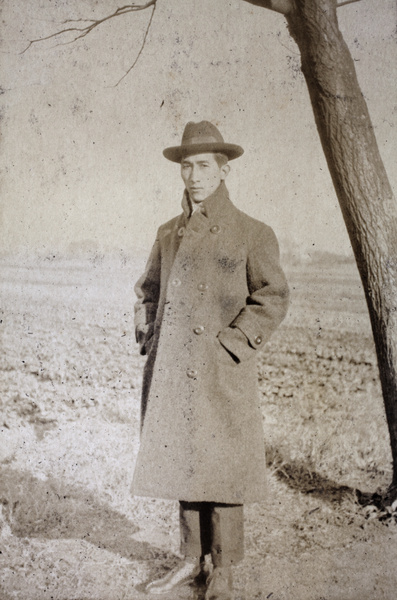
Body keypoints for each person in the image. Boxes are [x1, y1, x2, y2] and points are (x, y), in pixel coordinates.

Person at [132, 120, 289, 600]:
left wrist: (234, 344)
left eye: (204, 166)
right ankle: (189, 560)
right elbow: (148, 290)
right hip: (174, 370)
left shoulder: (251, 232)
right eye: (187, 167)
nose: (194, 176)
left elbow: (273, 295)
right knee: (183, 459)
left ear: (224, 171)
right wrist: (150, 332)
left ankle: (222, 569)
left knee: (223, 469)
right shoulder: (168, 233)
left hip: (222, 370)